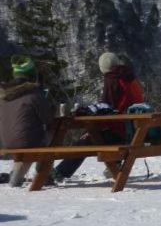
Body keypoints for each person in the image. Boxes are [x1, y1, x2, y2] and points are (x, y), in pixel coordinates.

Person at [54, 52, 145, 180]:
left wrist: (93, 128)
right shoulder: (130, 78)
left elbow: (107, 109)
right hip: (136, 129)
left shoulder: (112, 80)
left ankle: (58, 173)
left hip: (122, 131)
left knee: (85, 142)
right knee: (92, 137)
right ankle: (114, 166)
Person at [0, 56, 55, 187]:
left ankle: (17, 176)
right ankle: (44, 174)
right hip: (27, 141)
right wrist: (50, 104)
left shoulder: (4, 94)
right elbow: (47, 119)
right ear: (31, 75)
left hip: (6, 140)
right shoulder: (34, 93)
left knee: (27, 138)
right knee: (53, 133)